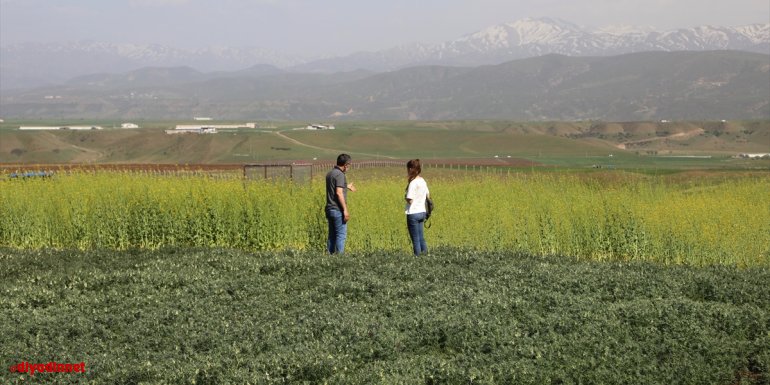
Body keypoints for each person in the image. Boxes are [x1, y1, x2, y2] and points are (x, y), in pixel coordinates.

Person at [325, 154, 356, 254]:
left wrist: (346, 186)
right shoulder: (340, 175)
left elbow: (334, 188)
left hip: (329, 209)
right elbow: (338, 192)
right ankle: (339, 261)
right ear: (346, 165)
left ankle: (329, 259)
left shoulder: (330, 173)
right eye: (349, 165)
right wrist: (345, 210)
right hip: (338, 209)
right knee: (341, 235)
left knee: (332, 236)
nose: (349, 167)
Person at [404, 159, 429, 255]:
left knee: (415, 239)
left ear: (411, 169)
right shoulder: (422, 181)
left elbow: (410, 200)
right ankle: (426, 257)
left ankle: (418, 260)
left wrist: (405, 197)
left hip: (413, 213)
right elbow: (428, 195)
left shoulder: (413, 183)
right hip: (422, 212)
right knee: (421, 238)